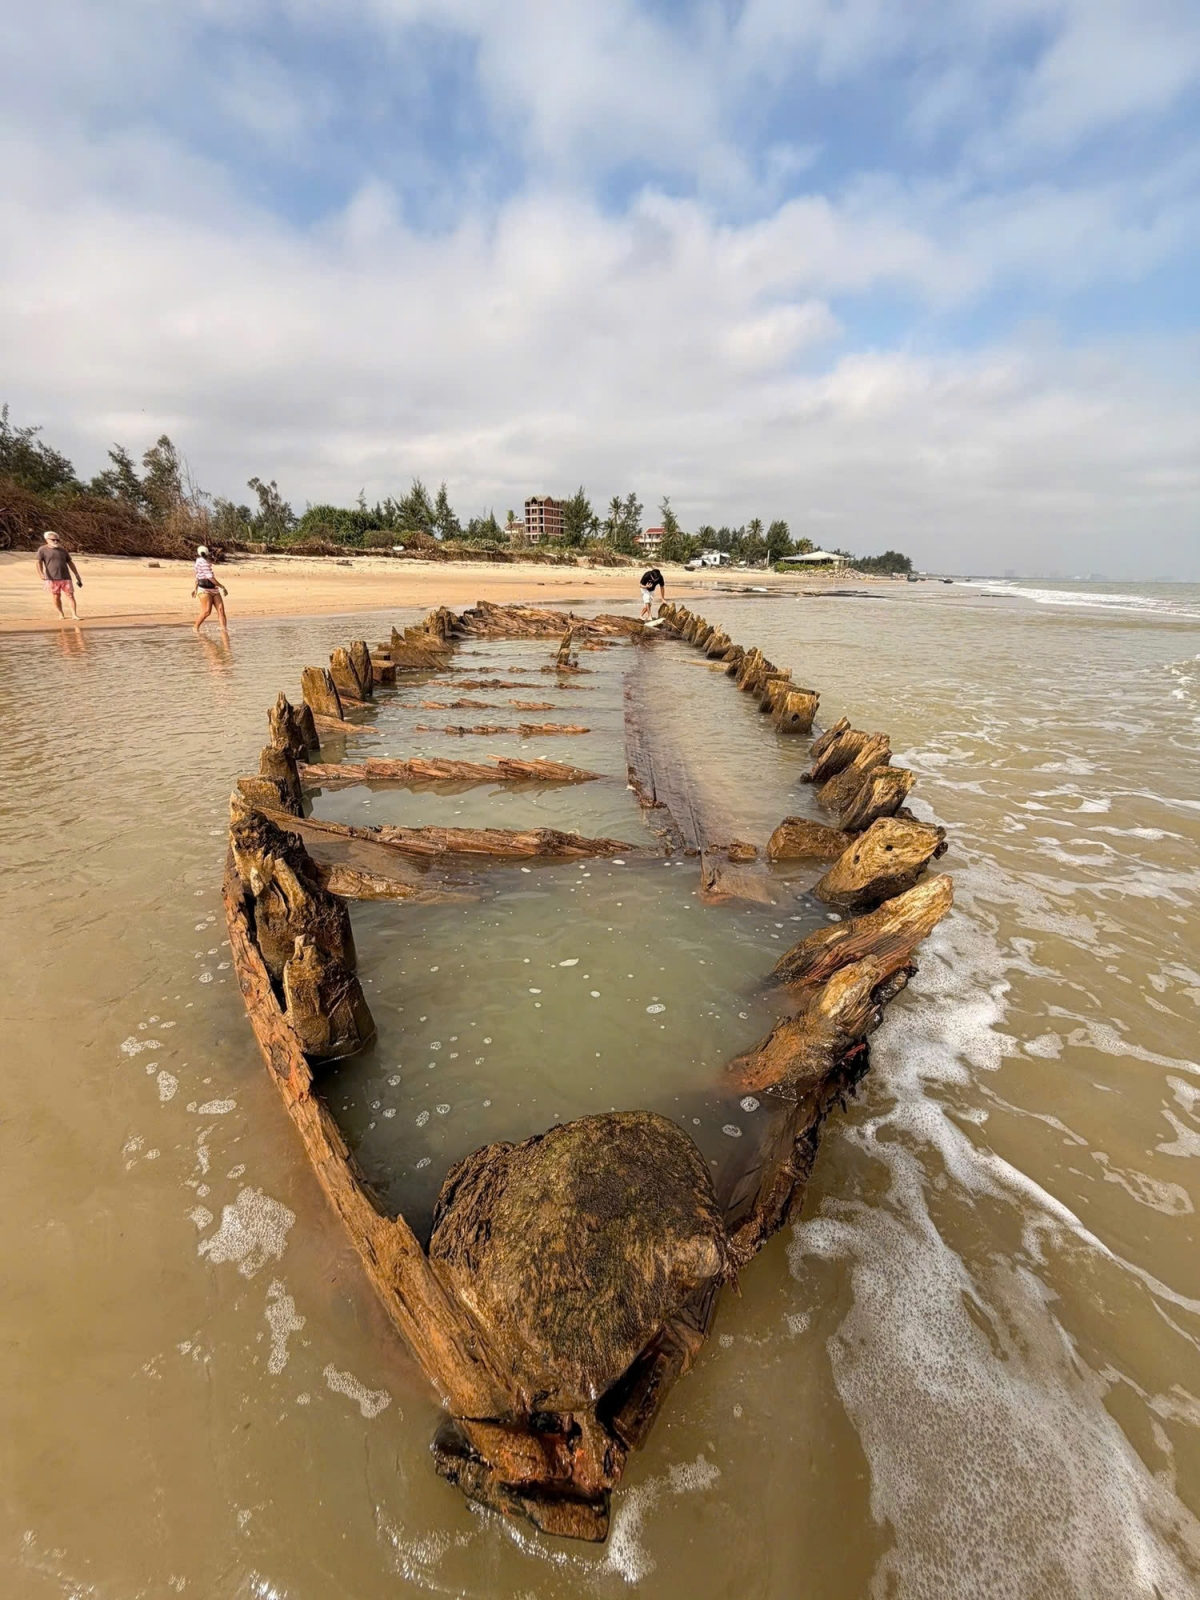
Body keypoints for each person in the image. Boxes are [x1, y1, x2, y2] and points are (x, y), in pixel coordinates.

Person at [36, 531, 82, 621]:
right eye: (53, 540)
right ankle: (61, 614)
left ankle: (74, 615)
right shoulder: (42, 550)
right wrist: (41, 574)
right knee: (56, 596)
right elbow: (38, 562)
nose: (56, 541)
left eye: (57, 540)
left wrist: (76, 574)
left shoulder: (63, 551)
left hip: (66, 577)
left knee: (70, 595)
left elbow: (70, 563)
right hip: (52, 578)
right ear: (47, 540)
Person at [192, 545, 229, 633]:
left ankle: (224, 630)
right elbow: (210, 577)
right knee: (206, 611)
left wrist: (195, 588)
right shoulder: (202, 562)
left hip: (214, 589)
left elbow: (197, 576)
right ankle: (195, 627)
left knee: (221, 610)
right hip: (205, 589)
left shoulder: (201, 561)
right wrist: (222, 587)